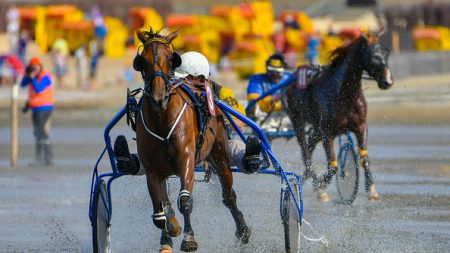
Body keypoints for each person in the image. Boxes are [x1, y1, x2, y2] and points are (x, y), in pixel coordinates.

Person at [114, 51, 262, 175]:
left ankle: (249, 160)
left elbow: (239, 122)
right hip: (176, 148)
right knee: (152, 152)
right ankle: (131, 164)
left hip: (214, 147)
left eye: (185, 79)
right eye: (178, 78)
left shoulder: (221, 92)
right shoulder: (171, 93)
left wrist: (212, 114)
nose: (180, 83)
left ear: (200, 77)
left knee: (235, 147)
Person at [20, 57, 54, 166]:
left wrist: (33, 78)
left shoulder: (45, 76)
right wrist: (27, 75)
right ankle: (43, 158)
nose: (34, 69)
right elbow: (22, 84)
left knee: (40, 132)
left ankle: (45, 157)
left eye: (36, 67)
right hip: (35, 108)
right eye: (32, 67)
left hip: (45, 108)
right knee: (37, 132)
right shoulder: (32, 76)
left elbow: (39, 89)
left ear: (40, 66)